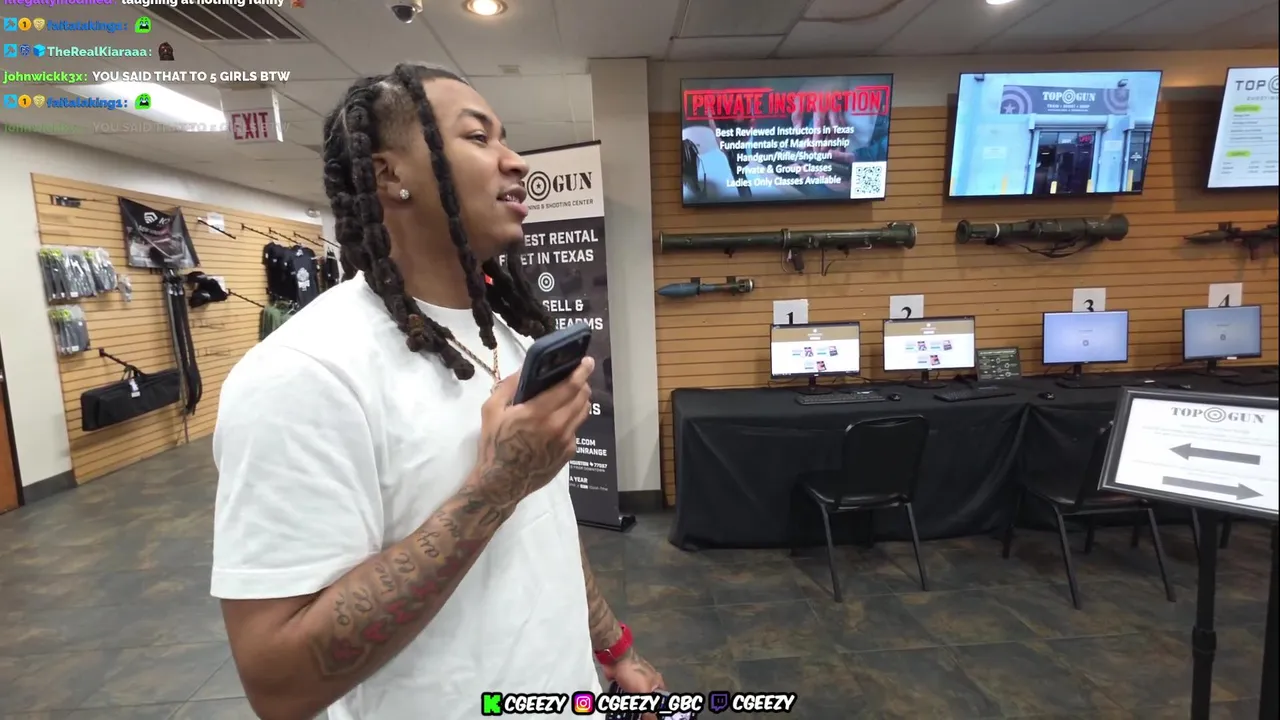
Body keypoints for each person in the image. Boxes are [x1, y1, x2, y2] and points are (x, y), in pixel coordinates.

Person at [209, 62, 664, 720]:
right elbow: (278, 684)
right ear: (388, 174)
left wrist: (613, 647)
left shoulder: (507, 338)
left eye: (505, 138)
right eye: (478, 137)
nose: (515, 161)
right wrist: (498, 485)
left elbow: (546, 524)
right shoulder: (302, 372)